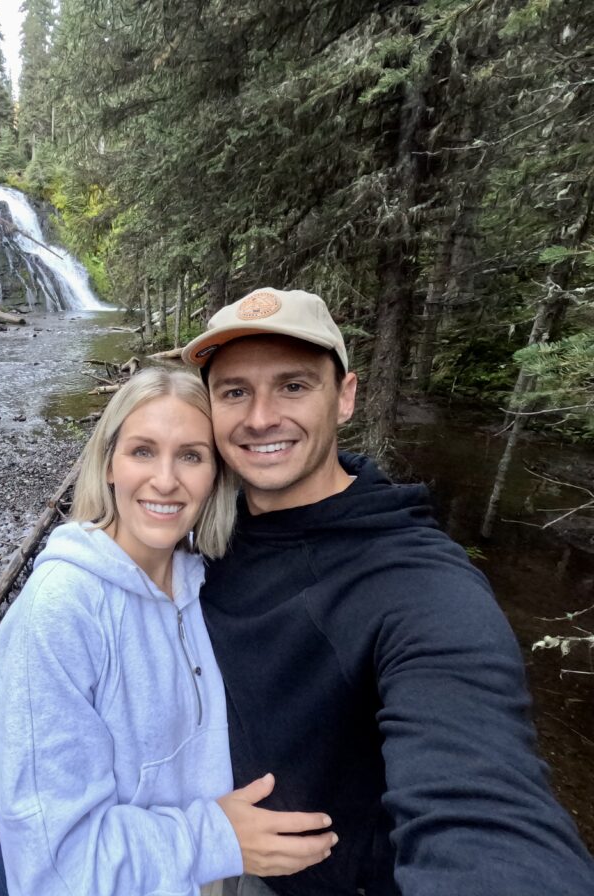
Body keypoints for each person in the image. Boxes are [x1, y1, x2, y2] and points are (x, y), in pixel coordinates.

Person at [181, 287, 594, 896]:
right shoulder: (202, 524)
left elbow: (482, 804)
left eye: (293, 386)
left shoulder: (416, 582)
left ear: (345, 397)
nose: (260, 416)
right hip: (213, 834)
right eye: (234, 392)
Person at [0, 368, 337, 896]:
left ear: (215, 475)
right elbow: (52, 867)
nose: (167, 480)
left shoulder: (202, 581)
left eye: (192, 456)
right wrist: (216, 840)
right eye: (143, 451)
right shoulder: (59, 613)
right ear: (108, 464)